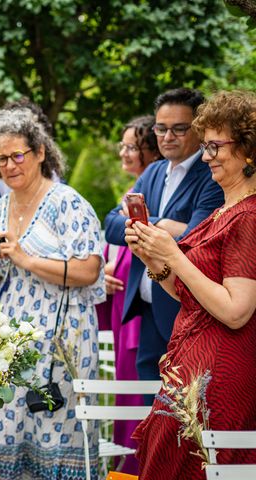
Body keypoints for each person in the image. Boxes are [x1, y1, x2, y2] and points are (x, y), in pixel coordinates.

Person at [126, 90, 256, 479]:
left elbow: (236, 311)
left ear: (248, 150)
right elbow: (189, 296)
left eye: (215, 146)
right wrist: (155, 259)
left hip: (220, 373)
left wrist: (176, 255)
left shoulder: (248, 217)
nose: (205, 156)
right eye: (206, 146)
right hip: (189, 366)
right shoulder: (221, 212)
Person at [0, 107, 105, 479]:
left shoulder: (68, 203)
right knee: (0, 429)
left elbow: (88, 270)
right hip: (8, 347)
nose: (9, 165)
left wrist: (25, 257)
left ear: (39, 153)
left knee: (55, 433)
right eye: (1, 158)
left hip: (63, 344)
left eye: (17, 155)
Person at [104, 88, 224, 395]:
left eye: (179, 128)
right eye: (161, 128)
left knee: (185, 403)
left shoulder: (212, 175)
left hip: (183, 307)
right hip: (145, 305)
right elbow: (112, 225)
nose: (167, 136)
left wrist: (143, 225)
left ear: (198, 129)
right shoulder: (154, 172)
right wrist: (162, 224)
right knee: (148, 400)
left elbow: (193, 240)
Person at [96, 114, 161, 474]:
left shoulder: (149, 196)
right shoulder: (131, 194)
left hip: (142, 316)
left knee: (140, 401)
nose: (123, 152)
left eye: (131, 146)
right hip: (123, 310)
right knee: (126, 402)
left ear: (150, 152)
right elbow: (115, 236)